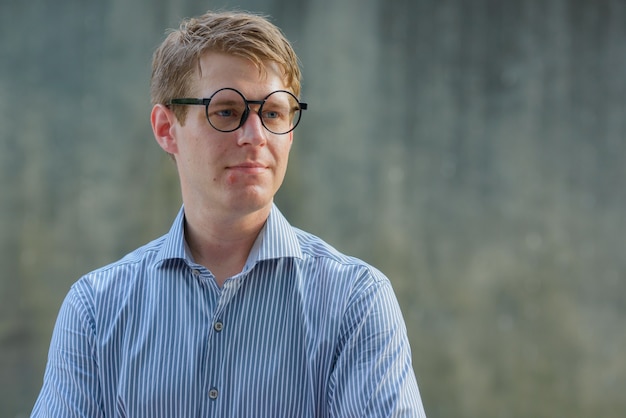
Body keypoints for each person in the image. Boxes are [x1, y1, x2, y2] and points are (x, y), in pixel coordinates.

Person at [31, 10, 427, 417]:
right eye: (226, 111)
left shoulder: (356, 303)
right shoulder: (96, 310)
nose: (255, 136)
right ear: (167, 128)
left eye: (273, 113)